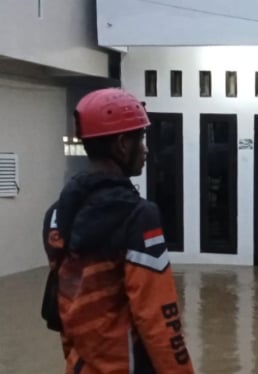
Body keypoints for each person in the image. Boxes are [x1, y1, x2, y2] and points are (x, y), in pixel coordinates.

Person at [41, 88, 195, 374]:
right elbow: (160, 320)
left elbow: (64, 307)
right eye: (141, 138)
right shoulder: (139, 217)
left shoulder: (56, 214)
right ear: (123, 145)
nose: (146, 149)